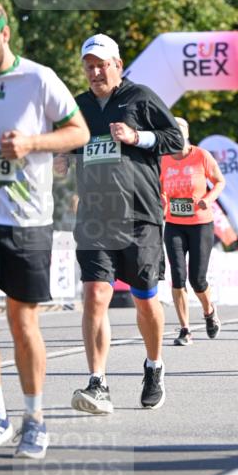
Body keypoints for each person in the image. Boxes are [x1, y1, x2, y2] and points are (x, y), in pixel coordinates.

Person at [0, 0, 89, 459]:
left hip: (28, 221)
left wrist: (31, 143)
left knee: (22, 322)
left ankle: (35, 418)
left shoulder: (39, 79)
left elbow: (79, 132)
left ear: (5, 35)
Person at [63, 34, 183, 415]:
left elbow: (175, 139)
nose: (96, 71)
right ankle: (98, 382)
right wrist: (62, 158)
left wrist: (137, 136)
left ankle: (153, 366)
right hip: (94, 218)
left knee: (144, 300)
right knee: (96, 294)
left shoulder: (140, 97)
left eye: (102, 64)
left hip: (140, 215)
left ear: (118, 63)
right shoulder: (77, 107)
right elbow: (67, 146)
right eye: (89, 66)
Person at [160, 117, 225, 345]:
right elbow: (159, 188)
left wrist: (208, 198)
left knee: (198, 279)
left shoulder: (201, 156)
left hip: (200, 224)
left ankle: (209, 311)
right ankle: (185, 329)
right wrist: (162, 200)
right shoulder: (164, 160)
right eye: (171, 131)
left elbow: (219, 182)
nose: (175, 135)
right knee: (177, 277)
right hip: (174, 224)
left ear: (186, 134)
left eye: (179, 131)